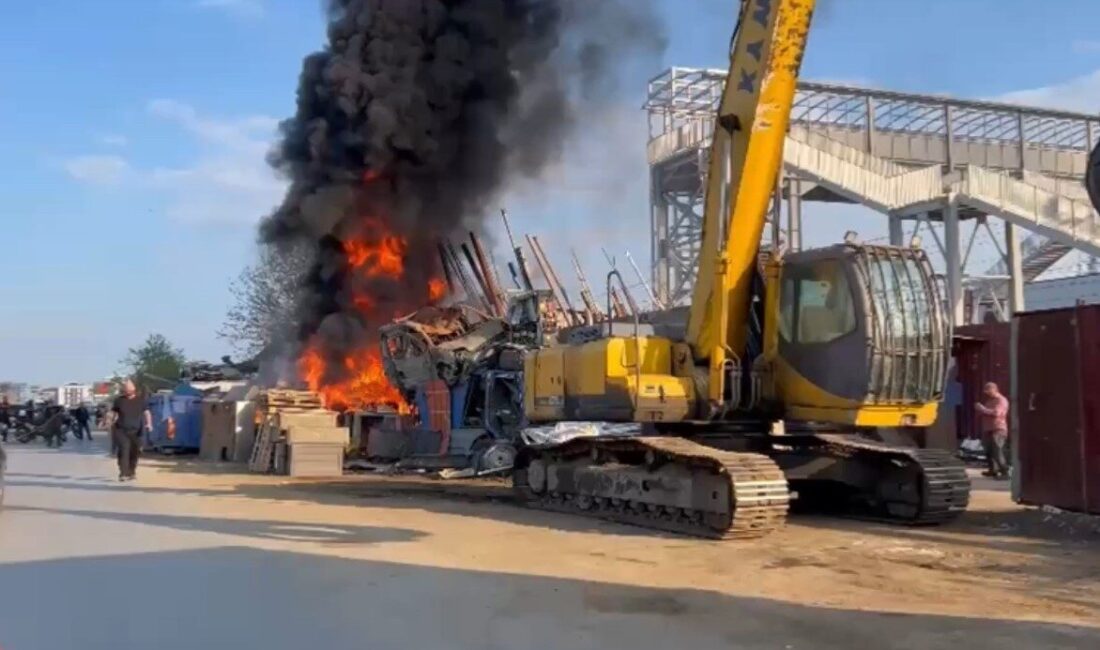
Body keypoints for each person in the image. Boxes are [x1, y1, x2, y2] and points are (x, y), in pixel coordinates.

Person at [108, 379, 152, 482]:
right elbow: (113, 412)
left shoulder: (141, 401)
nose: (127, 392)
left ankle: (131, 472)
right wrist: (108, 420)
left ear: (134, 389)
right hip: (121, 430)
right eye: (126, 390)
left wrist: (149, 424)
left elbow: (147, 413)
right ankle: (123, 473)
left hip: (136, 431)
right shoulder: (119, 400)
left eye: (129, 390)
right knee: (124, 450)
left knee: (134, 452)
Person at [975, 381, 1010, 479]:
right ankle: (993, 470)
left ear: (995, 389)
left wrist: (982, 409)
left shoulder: (1001, 400)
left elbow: (996, 413)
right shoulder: (989, 401)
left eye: (989, 391)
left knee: (997, 451)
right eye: (986, 391)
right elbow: (985, 413)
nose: (987, 393)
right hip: (988, 429)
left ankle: (1005, 473)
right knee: (988, 451)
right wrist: (980, 410)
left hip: (998, 429)